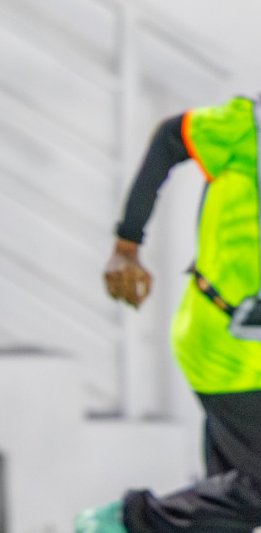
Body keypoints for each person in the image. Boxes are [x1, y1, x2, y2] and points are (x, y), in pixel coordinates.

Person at [78, 96, 261, 533]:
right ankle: (123, 524)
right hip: (225, 343)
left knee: (225, 499)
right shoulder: (245, 127)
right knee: (253, 489)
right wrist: (127, 244)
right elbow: (170, 138)